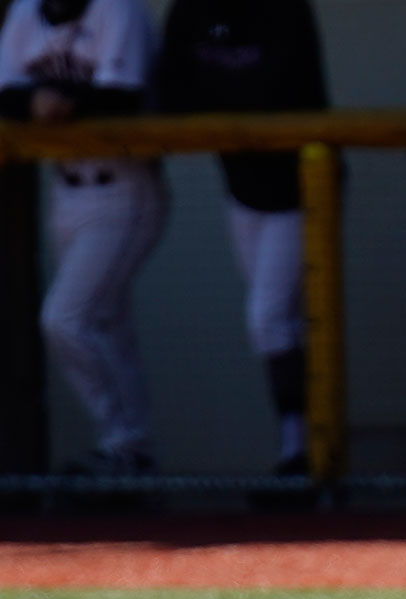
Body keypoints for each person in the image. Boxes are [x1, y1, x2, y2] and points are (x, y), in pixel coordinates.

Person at [153, 0, 330, 478]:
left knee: (269, 319)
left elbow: (279, 92)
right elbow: (170, 93)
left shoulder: (285, 12)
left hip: (304, 188)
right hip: (243, 189)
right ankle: (303, 452)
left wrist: (216, 93)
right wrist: (223, 95)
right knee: (278, 325)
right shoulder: (190, 14)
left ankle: (301, 453)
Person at [0, 0, 169, 476]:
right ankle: (131, 456)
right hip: (66, 191)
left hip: (124, 188)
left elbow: (124, 94)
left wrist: (62, 101)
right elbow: (5, 91)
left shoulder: (118, 11)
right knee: (108, 327)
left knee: (65, 319)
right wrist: (35, 102)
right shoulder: (24, 12)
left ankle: (126, 442)